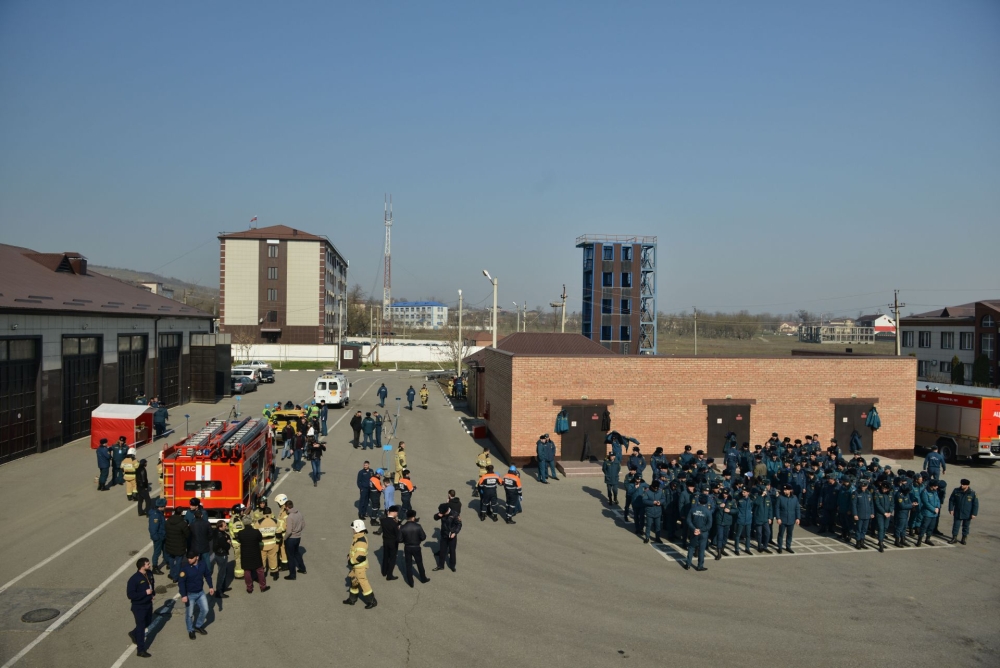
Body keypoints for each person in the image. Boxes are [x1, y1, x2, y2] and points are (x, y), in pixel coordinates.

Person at [178, 552, 214, 639]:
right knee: (189, 614)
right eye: (188, 558)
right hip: (190, 594)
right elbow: (181, 583)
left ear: (197, 557)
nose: (189, 559)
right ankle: (190, 630)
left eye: (191, 558)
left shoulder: (202, 564)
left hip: (200, 592)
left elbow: (207, 575)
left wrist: (210, 586)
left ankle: (198, 626)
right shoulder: (185, 569)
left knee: (205, 610)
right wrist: (183, 595)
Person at [344, 520, 377, 609]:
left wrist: (350, 561)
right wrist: (350, 555)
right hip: (356, 566)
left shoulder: (360, 541)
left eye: (353, 529)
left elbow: (360, 556)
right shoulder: (358, 537)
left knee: (363, 583)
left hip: (359, 566)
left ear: (357, 528)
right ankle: (352, 599)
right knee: (354, 581)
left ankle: (372, 601)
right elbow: (355, 551)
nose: (352, 530)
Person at [126, 557, 155, 658]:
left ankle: (134, 633)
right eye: (148, 564)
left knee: (148, 622)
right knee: (141, 627)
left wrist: (152, 594)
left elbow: (152, 584)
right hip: (139, 607)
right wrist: (145, 593)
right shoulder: (134, 579)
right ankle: (141, 650)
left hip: (148, 604)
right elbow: (130, 595)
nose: (149, 565)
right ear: (142, 566)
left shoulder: (149, 573)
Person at [238, 518, 268, 593]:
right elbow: (260, 539)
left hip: (245, 554)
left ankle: (249, 588)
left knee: (247, 571)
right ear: (251, 523)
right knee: (260, 570)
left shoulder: (240, 533)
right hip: (255, 553)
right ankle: (263, 586)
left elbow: (239, 540)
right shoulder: (256, 532)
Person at [684, 494, 713, 571]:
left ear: (699, 501)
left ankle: (688, 564)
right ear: (706, 502)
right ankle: (700, 566)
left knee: (691, 547)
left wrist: (694, 529)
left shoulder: (693, 509)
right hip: (703, 533)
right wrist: (701, 530)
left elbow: (688, 520)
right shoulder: (708, 512)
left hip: (694, 532)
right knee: (701, 549)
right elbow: (709, 525)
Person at [400, 510, 428, 587]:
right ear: (413, 517)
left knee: (408, 564)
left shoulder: (403, 527)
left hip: (407, 547)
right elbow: (423, 537)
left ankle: (410, 582)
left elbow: (399, 539)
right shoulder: (418, 526)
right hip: (416, 547)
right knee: (419, 563)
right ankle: (423, 578)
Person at [948, 479, 978, 545]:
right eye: (961, 484)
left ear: (967, 485)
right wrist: (951, 509)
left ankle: (964, 538)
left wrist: (974, 513)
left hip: (967, 513)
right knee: (956, 526)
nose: (962, 485)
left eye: (963, 485)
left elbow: (975, 504)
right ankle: (954, 538)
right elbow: (951, 500)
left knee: (966, 526)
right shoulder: (956, 491)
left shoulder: (972, 493)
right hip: (958, 512)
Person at [433, 503, 461, 572]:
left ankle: (452, 565)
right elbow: (435, 518)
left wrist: (455, 533)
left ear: (447, 510)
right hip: (444, 534)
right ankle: (440, 565)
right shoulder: (442, 512)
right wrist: (438, 515)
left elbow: (459, 524)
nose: (442, 514)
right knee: (442, 550)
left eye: (443, 513)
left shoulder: (455, 514)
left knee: (452, 551)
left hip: (452, 535)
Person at [163, 510, 190, 581]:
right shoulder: (182, 523)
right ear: (181, 513)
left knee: (171, 560)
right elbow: (187, 534)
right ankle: (176, 577)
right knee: (178, 562)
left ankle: (172, 573)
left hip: (169, 544)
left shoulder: (168, 521)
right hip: (179, 546)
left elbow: (165, 530)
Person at [283, 500, 306, 579]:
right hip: (298, 537)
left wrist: (285, 538)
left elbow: (289, 531)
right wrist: (298, 531)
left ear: (287, 507)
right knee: (297, 553)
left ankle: (292, 575)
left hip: (291, 539)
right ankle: (302, 568)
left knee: (291, 557)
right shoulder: (299, 513)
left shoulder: (290, 517)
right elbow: (303, 524)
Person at [775, 484, 801, 554]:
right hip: (782, 519)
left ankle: (788, 546)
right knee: (781, 534)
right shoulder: (780, 498)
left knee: (789, 534)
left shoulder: (794, 498)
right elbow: (777, 508)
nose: (784, 491)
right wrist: (778, 518)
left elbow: (797, 508)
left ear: (790, 490)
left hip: (791, 519)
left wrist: (798, 518)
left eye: (786, 490)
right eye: (784, 490)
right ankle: (779, 547)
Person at [850, 479, 875, 550]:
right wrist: (855, 514)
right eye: (861, 486)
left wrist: (872, 513)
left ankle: (862, 542)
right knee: (858, 529)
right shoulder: (856, 493)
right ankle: (858, 542)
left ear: (867, 486)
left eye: (864, 486)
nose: (862, 487)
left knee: (864, 529)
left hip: (867, 515)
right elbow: (853, 505)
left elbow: (871, 504)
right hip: (859, 514)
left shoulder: (869, 493)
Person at [257, 507, 280, 581]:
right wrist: (277, 542)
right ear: (271, 513)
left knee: (262, 559)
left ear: (263, 513)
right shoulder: (275, 521)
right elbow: (279, 532)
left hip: (262, 545)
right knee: (273, 558)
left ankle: (263, 574)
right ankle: (274, 573)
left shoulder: (259, 522)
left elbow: (255, 533)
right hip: (273, 543)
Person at [917, 479, 941, 547]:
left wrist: (938, 507)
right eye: (936, 486)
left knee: (931, 527)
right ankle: (919, 539)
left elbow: (938, 500)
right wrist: (933, 509)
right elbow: (926, 503)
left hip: (934, 513)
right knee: (924, 527)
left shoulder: (935, 491)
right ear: (932, 486)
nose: (937, 487)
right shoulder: (925, 492)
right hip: (927, 513)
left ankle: (928, 539)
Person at [209, 520, 231, 597]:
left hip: (217, 554)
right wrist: (228, 542)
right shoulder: (221, 536)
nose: (226, 526)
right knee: (222, 573)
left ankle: (222, 587)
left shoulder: (215, 532)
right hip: (221, 555)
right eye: (225, 526)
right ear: (220, 527)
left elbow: (227, 536)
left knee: (222, 572)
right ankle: (219, 591)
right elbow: (227, 547)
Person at [380, 506, 402, 580]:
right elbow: (397, 533)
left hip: (385, 541)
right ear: (394, 512)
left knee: (385, 556)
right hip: (393, 542)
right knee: (392, 558)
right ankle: (389, 575)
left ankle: (384, 571)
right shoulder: (394, 523)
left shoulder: (383, 520)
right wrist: (398, 527)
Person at [752, 485, 774, 554]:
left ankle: (765, 546)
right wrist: (761, 496)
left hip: (765, 519)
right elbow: (756, 503)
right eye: (764, 491)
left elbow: (770, 508)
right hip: (758, 518)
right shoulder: (757, 497)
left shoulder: (768, 498)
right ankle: (759, 546)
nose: (765, 492)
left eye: (766, 491)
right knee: (759, 533)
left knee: (768, 532)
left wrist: (770, 517)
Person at [147, 499, 166, 574]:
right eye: (164, 506)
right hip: (159, 537)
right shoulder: (156, 515)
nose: (165, 507)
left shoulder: (159, 513)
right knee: (157, 552)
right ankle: (155, 567)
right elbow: (153, 528)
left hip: (162, 535)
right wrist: (156, 538)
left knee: (165, 550)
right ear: (160, 506)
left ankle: (167, 562)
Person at [873, 481, 894, 553]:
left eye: (886, 489)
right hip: (880, 514)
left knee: (885, 527)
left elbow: (892, 503)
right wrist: (884, 512)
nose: (884, 490)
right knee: (881, 528)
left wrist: (890, 512)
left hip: (888, 514)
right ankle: (881, 543)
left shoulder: (890, 493)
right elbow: (877, 504)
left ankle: (881, 540)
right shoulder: (877, 492)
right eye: (883, 488)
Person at [713, 489, 734, 559]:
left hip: (727, 521)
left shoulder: (732, 500)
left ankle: (722, 549)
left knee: (725, 536)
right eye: (724, 493)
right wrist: (719, 506)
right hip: (719, 521)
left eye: (726, 494)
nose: (725, 495)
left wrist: (730, 511)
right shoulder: (718, 499)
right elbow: (713, 507)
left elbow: (736, 510)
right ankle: (719, 553)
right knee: (720, 537)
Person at [733, 488, 753, 556]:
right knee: (738, 535)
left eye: (744, 492)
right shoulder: (739, 499)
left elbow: (751, 507)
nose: (743, 493)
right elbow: (736, 507)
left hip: (748, 520)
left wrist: (750, 514)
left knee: (748, 535)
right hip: (740, 519)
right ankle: (736, 549)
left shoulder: (751, 500)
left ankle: (747, 548)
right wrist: (739, 515)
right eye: (742, 492)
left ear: (748, 493)